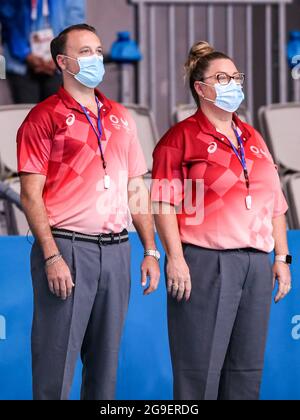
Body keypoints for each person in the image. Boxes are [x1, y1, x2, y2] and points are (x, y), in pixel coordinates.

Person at [17, 23, 160, 400]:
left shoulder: (120, 116)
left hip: (117, 251)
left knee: (104, 372)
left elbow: (136, 188)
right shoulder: (42, 118)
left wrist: (149, 250)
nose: (96, 58)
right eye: (85, 52)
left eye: (98, 50)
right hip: (67, 248)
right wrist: (51, 256)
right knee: (55, 368)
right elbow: (30, 195)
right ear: (63, 62)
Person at [151, 41, 292, 401]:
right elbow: (162, 202)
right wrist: (176, 258)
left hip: (256, 264)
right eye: (222, 77)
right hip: (205, 262)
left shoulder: (253, 137)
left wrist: (281, 258)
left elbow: (275, 202)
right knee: (199, 373)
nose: (233, 84)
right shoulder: (179, 139)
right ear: (201, 88)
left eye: (236, 77)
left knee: (246, 372)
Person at [0, 0, 85, 103]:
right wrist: (25, 54)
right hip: (20, 66)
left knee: (56, 112)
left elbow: (75, 24)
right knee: (26, 113)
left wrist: (61, 54)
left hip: (60, 64)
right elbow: (8, 22)